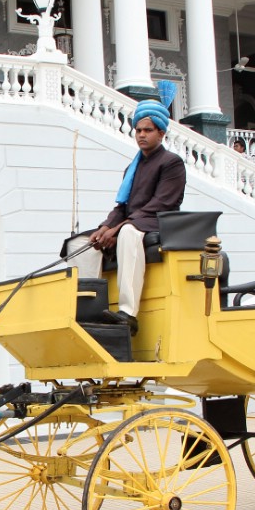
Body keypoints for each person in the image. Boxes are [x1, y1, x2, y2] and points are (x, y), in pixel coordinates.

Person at [65, 84, 187, 334]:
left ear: (161, 133)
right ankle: (89, 310)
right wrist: (104, 228)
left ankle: (128, 313)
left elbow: (161, 203)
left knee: (129, 233)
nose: (142, 135)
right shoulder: (132, 167)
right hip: (132, 221)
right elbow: (121, 206)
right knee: (78, 244)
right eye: (138, 130)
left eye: (148, 130)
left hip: (157, 221)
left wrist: (119, 229)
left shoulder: (171, 163)